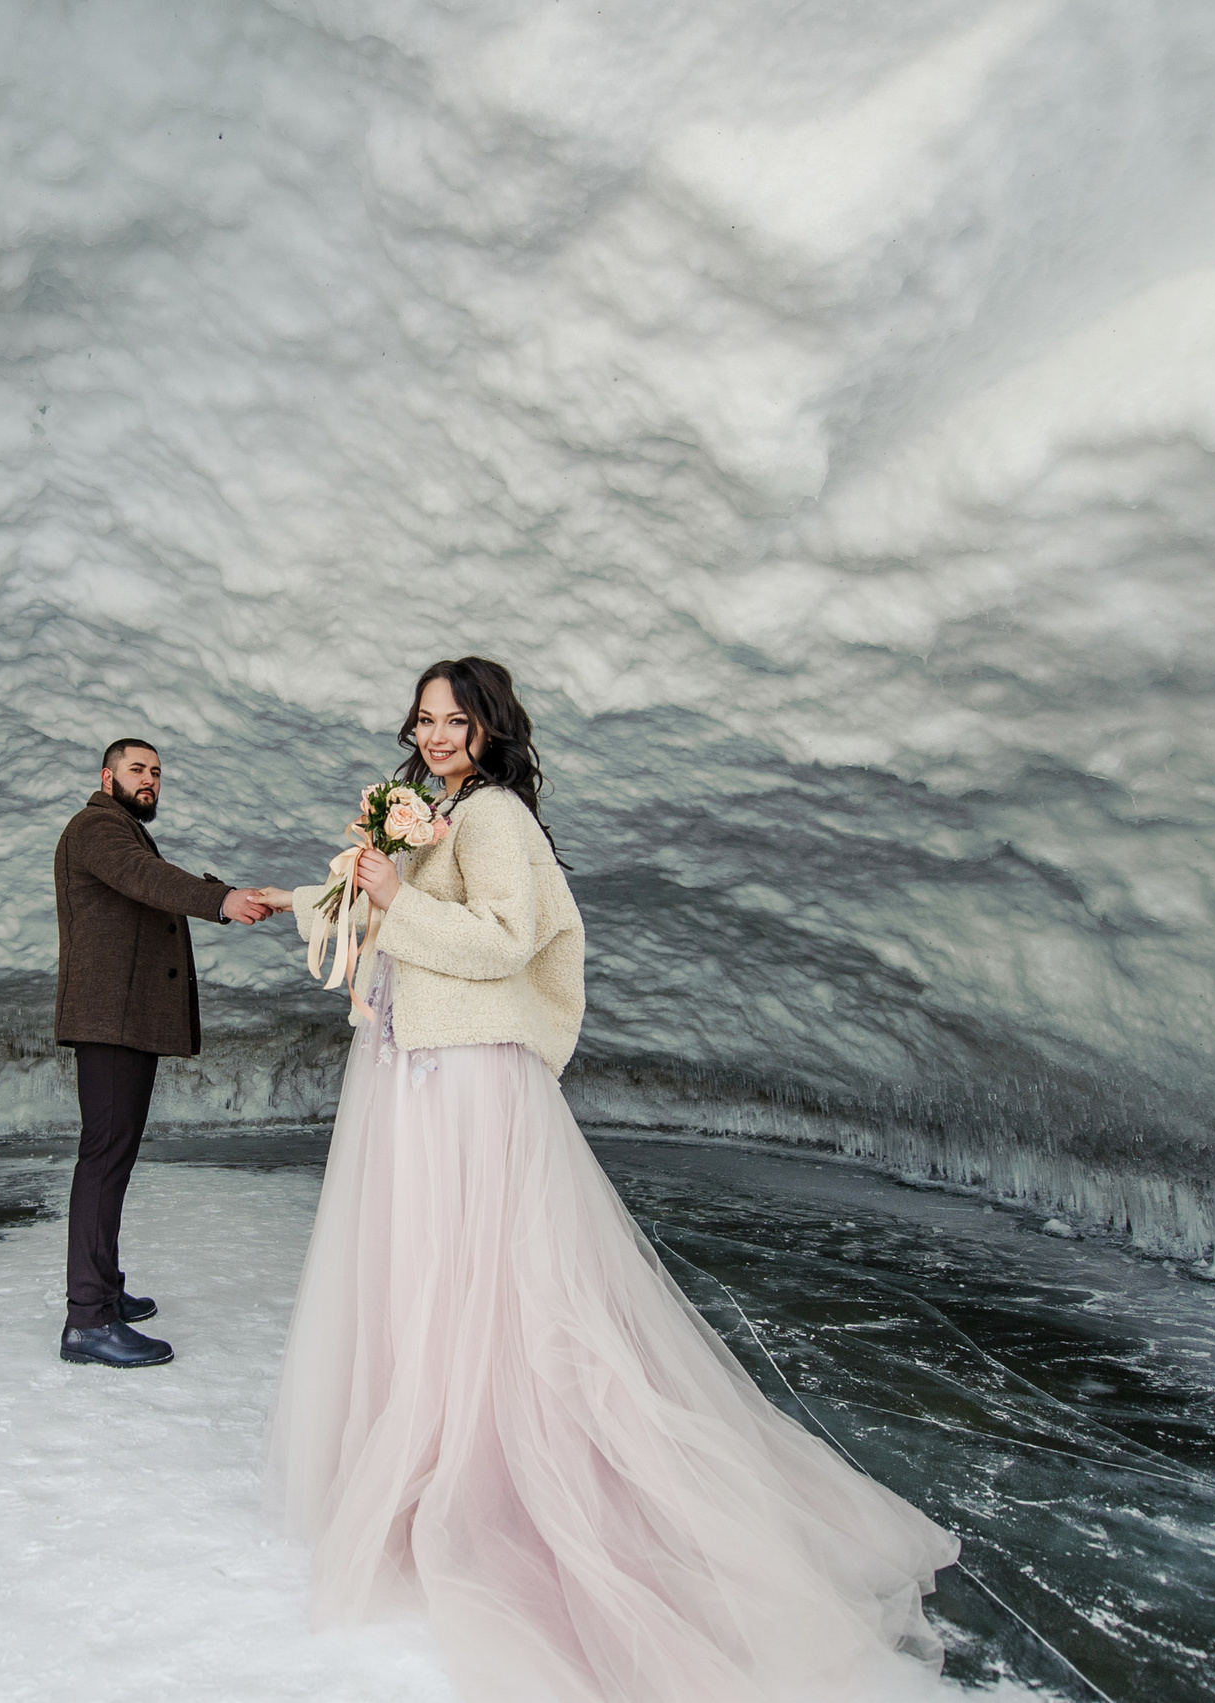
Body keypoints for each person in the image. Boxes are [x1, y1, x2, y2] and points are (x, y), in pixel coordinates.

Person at [245, 658, 958, 1703]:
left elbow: (505, 939)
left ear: (490, 729)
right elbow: (381, 898)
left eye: (456, 718)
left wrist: (395, 895)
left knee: (477, 1271)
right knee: (427, 1266)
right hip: (415, 1068)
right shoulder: (430, 809)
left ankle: (483, 1476)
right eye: (424, 717)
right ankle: (427, 1457)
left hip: (467, 1074)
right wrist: (313, 892)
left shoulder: (490, 817)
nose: (435, 732)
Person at [53, 737, 272, 1368]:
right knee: (103, 1157)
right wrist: (221, 900)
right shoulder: (97, 826)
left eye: (156, 772)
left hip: (121, 1020)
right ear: (107, 775)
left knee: (112, 1155)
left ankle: (104, 1292)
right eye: (136, 769)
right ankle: (87, 1320)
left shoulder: (119, 827)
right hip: (110, 1021)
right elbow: (144, 879)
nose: (149, 780)